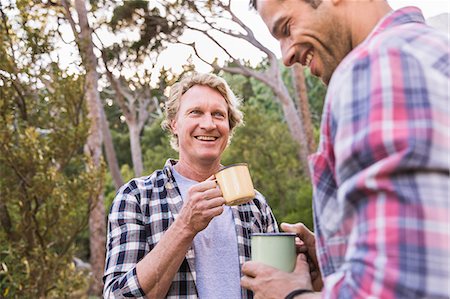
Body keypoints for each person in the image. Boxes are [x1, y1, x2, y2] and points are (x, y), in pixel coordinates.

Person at [241, 0, 450, 298]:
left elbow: (393, 289)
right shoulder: (433, 50)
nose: (286, 56)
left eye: (287, 28)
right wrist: (335, 253)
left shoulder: (374, 65)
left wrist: (290, 294)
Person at [103, 72, 278, 298]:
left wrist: (308, 264)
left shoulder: (255, 203)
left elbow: (278, 287)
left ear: (229, 127)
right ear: (174, 123)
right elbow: (118, 296)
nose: (208, 124)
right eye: (196, 112)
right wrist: (185, 225)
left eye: (218, 115)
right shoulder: (136, 197)